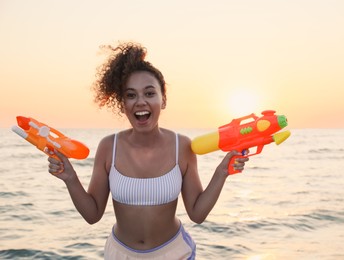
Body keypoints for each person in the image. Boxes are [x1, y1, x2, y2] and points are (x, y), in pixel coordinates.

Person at [48, 42, 249, 259]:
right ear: (122, 103)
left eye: (150, 93)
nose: (140, 102)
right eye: (131, 95)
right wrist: (70, 177)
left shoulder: (182, 147)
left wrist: (222, 172)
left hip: (174, 253)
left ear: (163, 100)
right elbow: (92, 214)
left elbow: (197, 214)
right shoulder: (109, 147)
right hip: (120, 254)